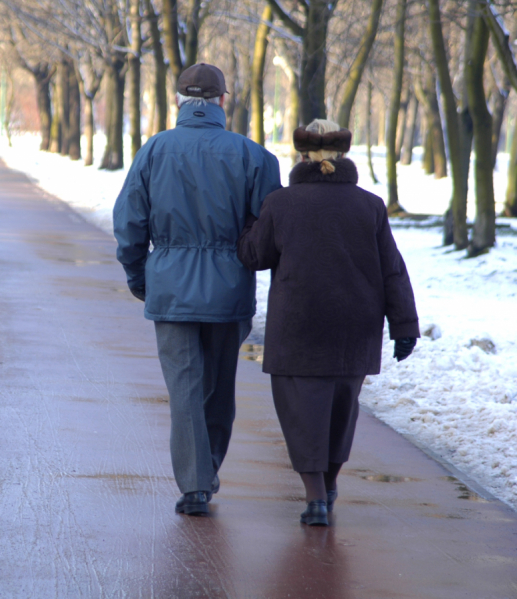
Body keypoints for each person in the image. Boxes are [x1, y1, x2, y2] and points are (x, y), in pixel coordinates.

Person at [113, 63, 282, 517]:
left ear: (179, 101)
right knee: (219, 387)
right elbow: (269, 230)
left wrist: (139, 277)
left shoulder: (154, 151)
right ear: (223, 101)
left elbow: (129, 224)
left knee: (183, 387)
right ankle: (206, 468)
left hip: (169, 288)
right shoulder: (254, 156)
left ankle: (194, 485)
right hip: (228, 290)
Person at [236, 119, 420, 527]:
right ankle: (330, 485)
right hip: (355, 327)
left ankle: (315, 496)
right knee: (343, 410)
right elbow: (393, 269)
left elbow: (255, 256)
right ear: (343, 155)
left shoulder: (280, 203)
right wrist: (404, 327)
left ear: (301, 156)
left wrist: (248, 227)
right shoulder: (370, 204)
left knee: (301, 412)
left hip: (297, 325)